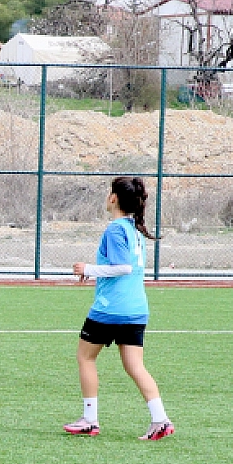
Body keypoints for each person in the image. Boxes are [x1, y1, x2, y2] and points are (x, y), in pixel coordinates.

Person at [65, 175, 174, 440]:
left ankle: (90, 420)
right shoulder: (134, 229)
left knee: (85, 357)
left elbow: (123, 267)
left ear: (114, 198)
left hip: (110, 308)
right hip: (136, 308)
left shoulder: (115, 229)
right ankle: (160, 419)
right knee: (135, 366)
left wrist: (88, 269)